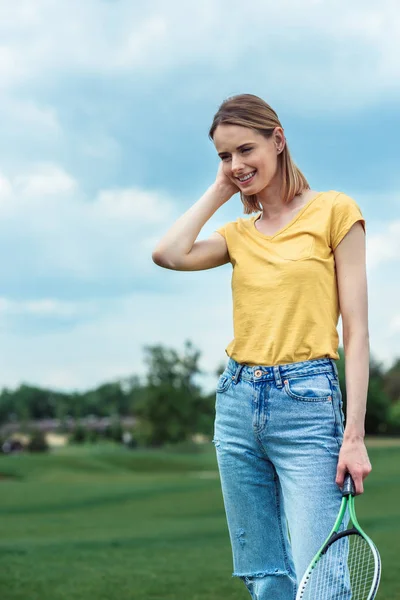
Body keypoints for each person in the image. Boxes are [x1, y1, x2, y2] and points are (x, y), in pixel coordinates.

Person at [152, 93, 371, 599]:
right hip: (236, 400)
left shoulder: (336, 212)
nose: (237, 165)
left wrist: (354, 433)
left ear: (278, 139)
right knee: (266, 576)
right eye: (225, 156)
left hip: (307, 401)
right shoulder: (237, 234)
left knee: (324, 580)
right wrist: (218, 190)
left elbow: (356, 331)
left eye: (245, 150)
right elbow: (167, 253)